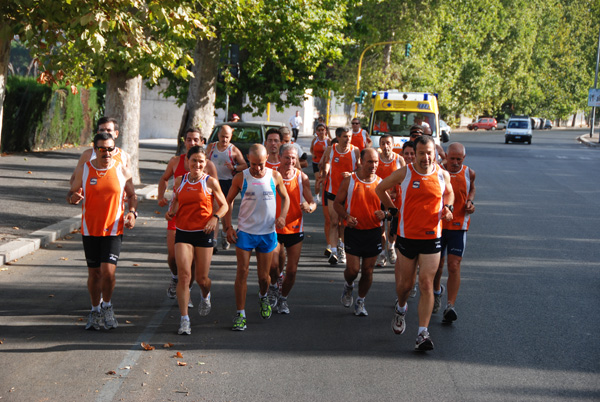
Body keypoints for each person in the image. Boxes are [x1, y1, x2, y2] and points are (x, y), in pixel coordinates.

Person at [376, 135, 454, 351]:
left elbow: (450, 194)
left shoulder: (442, 174)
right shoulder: (406, 173)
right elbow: (380, 188)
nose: (426, 157)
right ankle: (401, 308)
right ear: (415, 154)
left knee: (427, 283)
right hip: (408, 236)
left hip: (432, 237)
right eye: (421, 153)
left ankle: (422, 333)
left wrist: (449, 209)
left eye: (430, 153)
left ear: (434, 153)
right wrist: (392, 209)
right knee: (405, 286)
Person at [67, 132, 137, 331]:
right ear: (95, 149)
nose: (106, 153)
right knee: (94, 273)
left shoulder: (122, 170)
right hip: (90, 229)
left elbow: (132, 196)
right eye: (102, 149)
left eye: (110, 149)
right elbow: (71, 193)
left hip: (113, 229)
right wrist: (74, 197)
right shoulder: (85, 170)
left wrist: (132, 213)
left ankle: (107, 306)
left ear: (114, 149)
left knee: (108, 273)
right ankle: (95, 309)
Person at [223, 144, 289, 331]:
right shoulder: (241, 177)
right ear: (248, 159)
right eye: (253, 164)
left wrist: (282, 216)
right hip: (245, 232)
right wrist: (227, 227)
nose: (257, 168)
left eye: (261, 164)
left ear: (267, 157)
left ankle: (262, 296)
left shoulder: (274, 176)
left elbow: (286, 198)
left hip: (267, 233)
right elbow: (227, 202)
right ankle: (240, 314)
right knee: (242, 272)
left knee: (263, 278)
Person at [165, 146, 228, 335]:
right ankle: (185, 320)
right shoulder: (179, 181)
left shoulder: (210, 183)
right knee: (184, 275)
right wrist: (172, 212)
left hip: (204, 233)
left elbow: (224, 205)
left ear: (205, 162)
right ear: (187, 162)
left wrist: (215, 218)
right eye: (194, 160)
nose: (197, 164)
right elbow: (176, 200)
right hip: (183, 232)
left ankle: (206, 294)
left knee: (202, 278)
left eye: (201, 161)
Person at [158, 128, 218, 300]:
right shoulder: (176, 161)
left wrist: (214, 219)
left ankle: (187, 290)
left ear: (201, 142)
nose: (192, 142)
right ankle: (176, 278)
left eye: (196, 139)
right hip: (177, 214)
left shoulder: (208, 165)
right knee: (172, 257)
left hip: (200, 218)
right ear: (184, 141)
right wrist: (162, 196)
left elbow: (215, 193)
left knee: (190, 263)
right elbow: (164, 179)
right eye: (189, 139)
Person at [335, 148, 385, 316]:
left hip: (373, 232)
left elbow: (391, 208)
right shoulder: (350, 181)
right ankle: (349, 286)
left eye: (376, 161)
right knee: (353, 270)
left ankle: (361, 301)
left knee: (368, 270)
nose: (373, 165)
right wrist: (346, 216)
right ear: (361, 162)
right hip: (353, 231)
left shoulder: (381, 183)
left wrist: (384, 214)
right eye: (370, 161)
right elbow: (337, 203)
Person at [267, 144, 317, 313]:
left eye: (293, 158)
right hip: (272, 228)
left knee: (292, 270)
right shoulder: (270, 175)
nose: (290, 161)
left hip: (295, 229)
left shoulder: (301, 177)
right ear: (280, 158)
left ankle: (283, 299)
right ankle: (273, 287)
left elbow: (312, 202)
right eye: (287, 157)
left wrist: (309, 207)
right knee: (273, 266)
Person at [432, 143, 476, 323]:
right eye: (452, 159)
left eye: (459, 159)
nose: (455, 163)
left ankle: (450, 305)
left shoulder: (469, 173)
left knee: (454, 265)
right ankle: (436, 292)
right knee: (437, 266)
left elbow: (471, 188)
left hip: (459, 225)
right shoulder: (437, 172)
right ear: (446, 157)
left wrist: (470, 202)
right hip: (439, 226)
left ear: (463, 158)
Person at [320, 127, 360, 265]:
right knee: (333, 222)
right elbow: (324, 163)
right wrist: (325, 171)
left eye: (349, 136)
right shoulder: (330, 150)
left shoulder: (355, 151)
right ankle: (333, 251)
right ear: (337, 137)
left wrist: (352, 174)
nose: (348, 139)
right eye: (344, 136)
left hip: (348, 192)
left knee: (344, 223)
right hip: (332, 191)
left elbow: (360, 169)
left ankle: (342, 248)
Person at [206, 125, 247, 250]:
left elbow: (245, 165)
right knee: (215, 210)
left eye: (227, 137)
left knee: (226, 211)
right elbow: (205, 161)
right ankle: (213, 240)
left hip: (228, 182)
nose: (224, 140)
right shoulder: (211, 147)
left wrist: (234, 167)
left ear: (231, 137)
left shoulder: (233, 150)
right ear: (218, 135)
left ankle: (225, 234)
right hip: (213, 182)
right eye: (222, 136)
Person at [69, 117, 130, 185]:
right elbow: (74, 179)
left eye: (109, 130)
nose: (105, 132)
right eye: (102, 130)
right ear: (98, 133)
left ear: (116, 134)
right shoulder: (88, 154)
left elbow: (128, 183)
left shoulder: (124, 156)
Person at [375, 134, 405, 267]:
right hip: (379, 198)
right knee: (381, 227)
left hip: (394, 199)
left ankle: (391, 247)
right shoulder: (376, 160)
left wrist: (395, 192)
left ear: (393, 145)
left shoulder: (399, 159)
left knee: (393, 228)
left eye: (388, 143)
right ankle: (381, 254)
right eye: (383, 143)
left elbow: (404, 180)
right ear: (380, 145)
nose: (385, 146)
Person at [310, 123, 331, 203]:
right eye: (319, 130)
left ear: (325, 131)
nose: (321, 132)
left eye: (323, 130)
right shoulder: (315, 140)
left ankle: (324, 195)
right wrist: (313, 154)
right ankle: (316, 195)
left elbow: (332, 150)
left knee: (324, 180)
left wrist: (326, 149)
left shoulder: (328, 141)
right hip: (316, 162)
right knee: (318, 179)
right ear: (317, 131)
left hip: (325, 163)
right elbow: (311, 149)